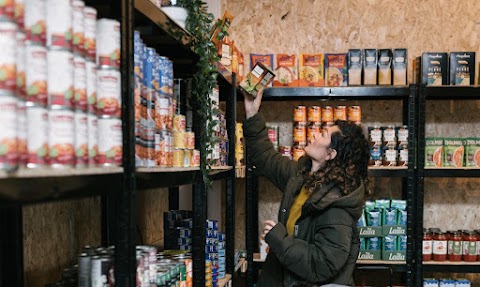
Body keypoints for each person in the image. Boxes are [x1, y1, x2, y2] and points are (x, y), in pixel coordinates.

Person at [242, 90, 371, 287]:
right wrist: (252, 112)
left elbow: (322, 264)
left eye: (323, 134)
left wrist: (278, 238)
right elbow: (266, 158)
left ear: (330, 154)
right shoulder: (302, 176)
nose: (314, 134)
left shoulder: (337, 206)